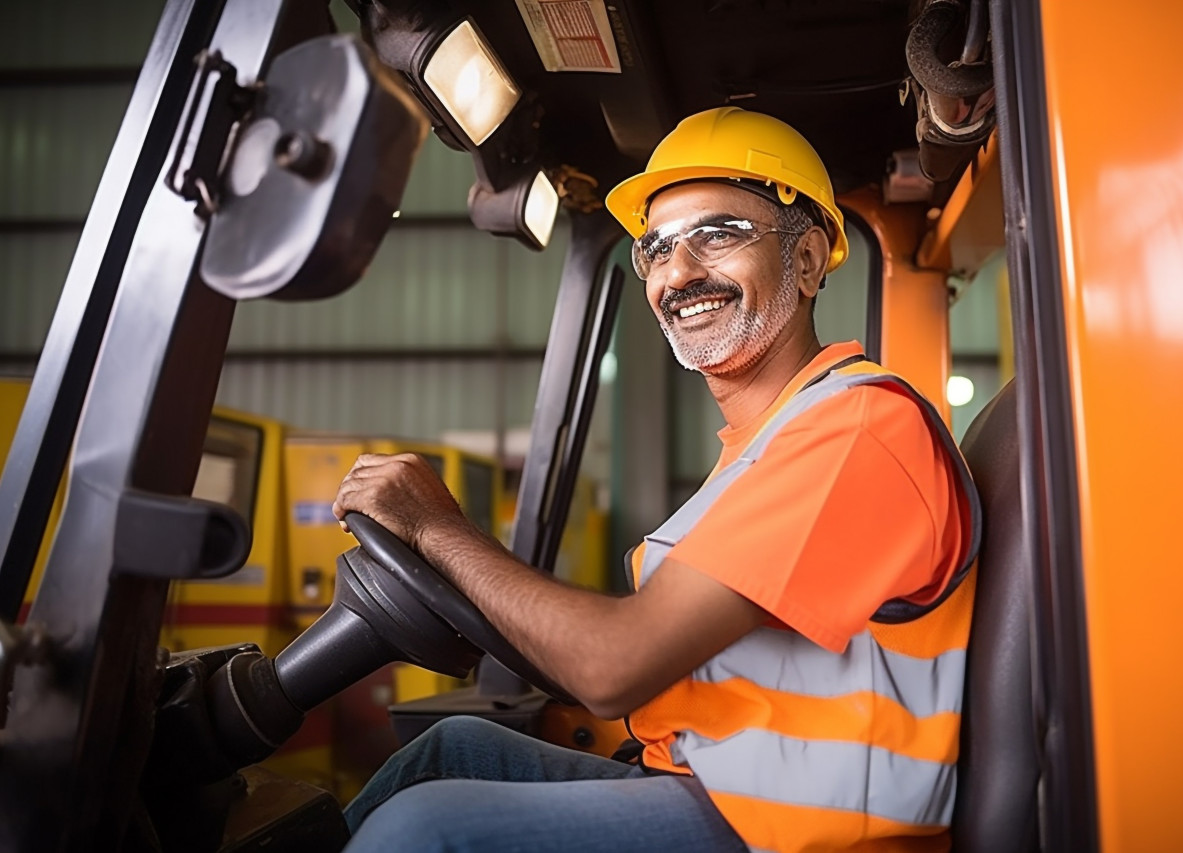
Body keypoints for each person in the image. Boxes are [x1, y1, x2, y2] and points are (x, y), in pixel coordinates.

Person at [332, 106, 980, 853]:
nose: (678, 272)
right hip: (723, 782)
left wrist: (437, 528)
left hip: (797, 833)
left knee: (425, 828)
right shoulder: (763, 442)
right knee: (450, 750)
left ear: (805, 263)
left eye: (718, 234)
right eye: (656, 248)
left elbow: (615, 668)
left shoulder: (856, 428)